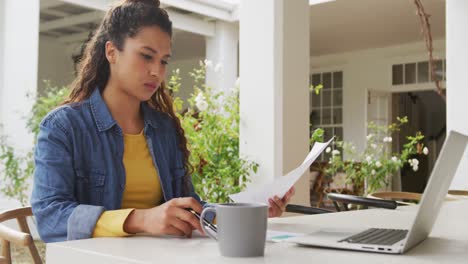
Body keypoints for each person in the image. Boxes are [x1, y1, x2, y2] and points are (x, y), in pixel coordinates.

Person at [31, 0, 295, 243]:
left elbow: (190, 210)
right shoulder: (64, 127)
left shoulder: (163, 129)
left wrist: (251, 211)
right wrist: (142, 219)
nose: (157, 71)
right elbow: (50, 217)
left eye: (163, 60)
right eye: (146, 56)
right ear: (112, 51)